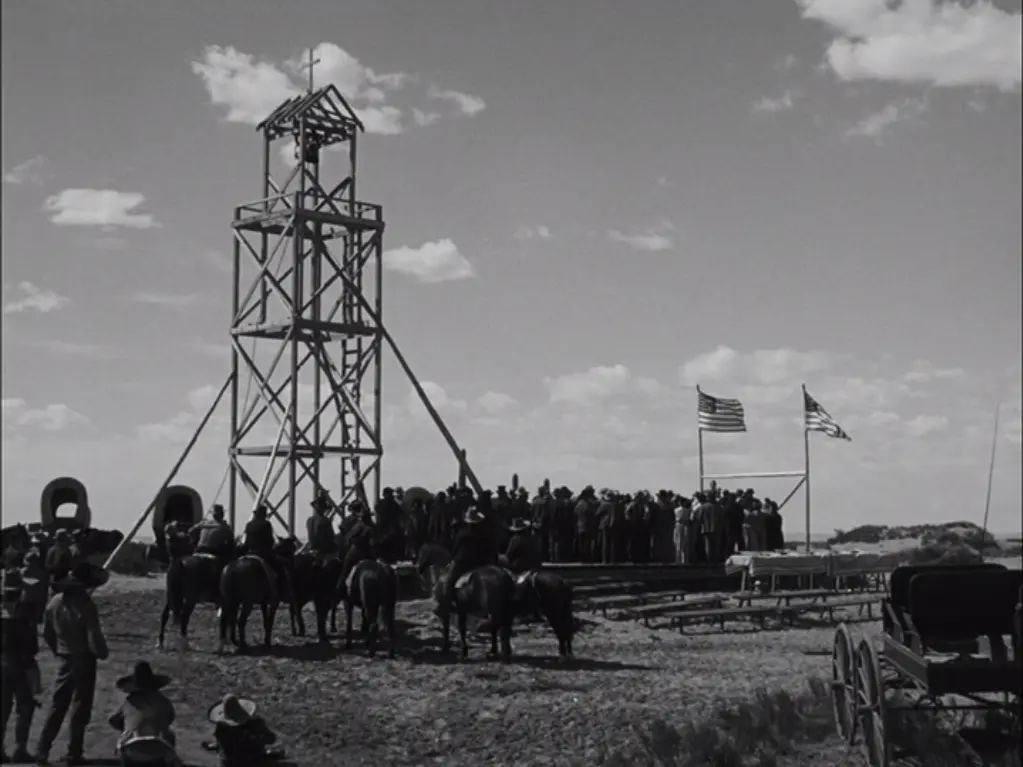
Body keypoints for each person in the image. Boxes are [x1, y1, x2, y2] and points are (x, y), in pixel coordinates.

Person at [36, 562, 110, 766]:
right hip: (84, 658)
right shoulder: (86, 605)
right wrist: (102, 652)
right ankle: (73, 752)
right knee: (80, 707)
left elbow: (48, 634)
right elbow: (93, 637)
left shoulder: (55, 602)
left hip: (65, 658)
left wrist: (58, 651)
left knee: (58, 704)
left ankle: (42, 749)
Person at [2, 568, 41, 763]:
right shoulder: (24, 612)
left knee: (2, 707)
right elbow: (31, 645)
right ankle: (20, 748)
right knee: (24, 707)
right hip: (20, 662)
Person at [109, 661, 178, 766]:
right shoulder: (163, 700)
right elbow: (170, 718)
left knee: (123, 739)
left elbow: (113, 721)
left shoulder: (129, 702)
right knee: (170, 735)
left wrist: (128, 726)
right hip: (159, 750)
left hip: (132, 751)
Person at [206, 694, 279, 767]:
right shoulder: (254, 724)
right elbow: (271, 739)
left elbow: (271, 738)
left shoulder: (222, 728)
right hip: (252, 761)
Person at [442, 507, 493, 608]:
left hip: (462, 564)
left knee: (448, 582)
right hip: (480, 563)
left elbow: (454, 549)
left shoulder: (462, 534)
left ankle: (446, 605)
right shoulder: (484, 534)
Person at [306, 492, 337, 560]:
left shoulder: (309, 520)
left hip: (311, 549)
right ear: (324, 508)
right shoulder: (325, 521)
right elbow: (331, 537)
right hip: (323, 552)